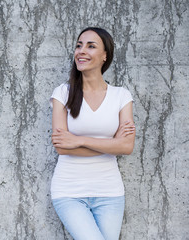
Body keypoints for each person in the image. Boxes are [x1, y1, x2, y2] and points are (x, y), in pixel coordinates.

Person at [50, 27, 135, 240]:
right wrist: (111, 145)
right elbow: (62, 146)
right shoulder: (63, 93)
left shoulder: (121, 96)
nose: (81, 51)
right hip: (69, 192)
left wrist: (78, 140)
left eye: (91, 46)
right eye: (79, 45)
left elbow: (127, 147)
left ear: (105, 55)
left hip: (110, 193)